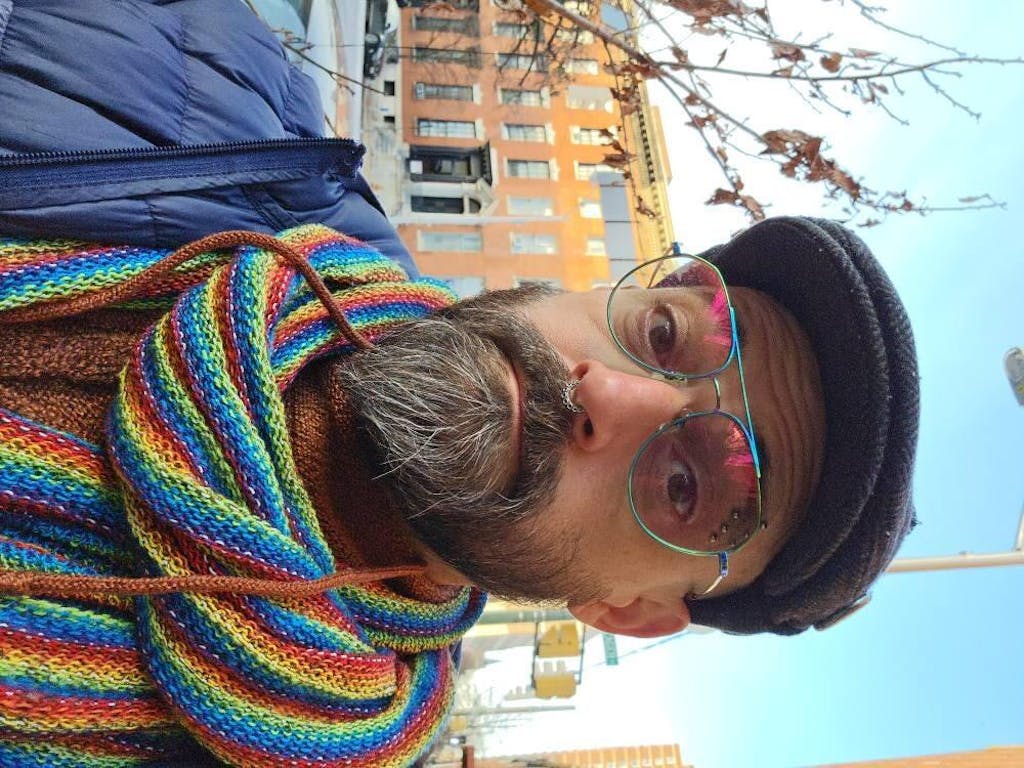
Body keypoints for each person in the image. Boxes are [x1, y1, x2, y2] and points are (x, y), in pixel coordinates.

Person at [0, 1, 919, 765]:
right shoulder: (210, 70)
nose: (610, 394)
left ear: (627, 610)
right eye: (665, 334)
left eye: (688, 486)